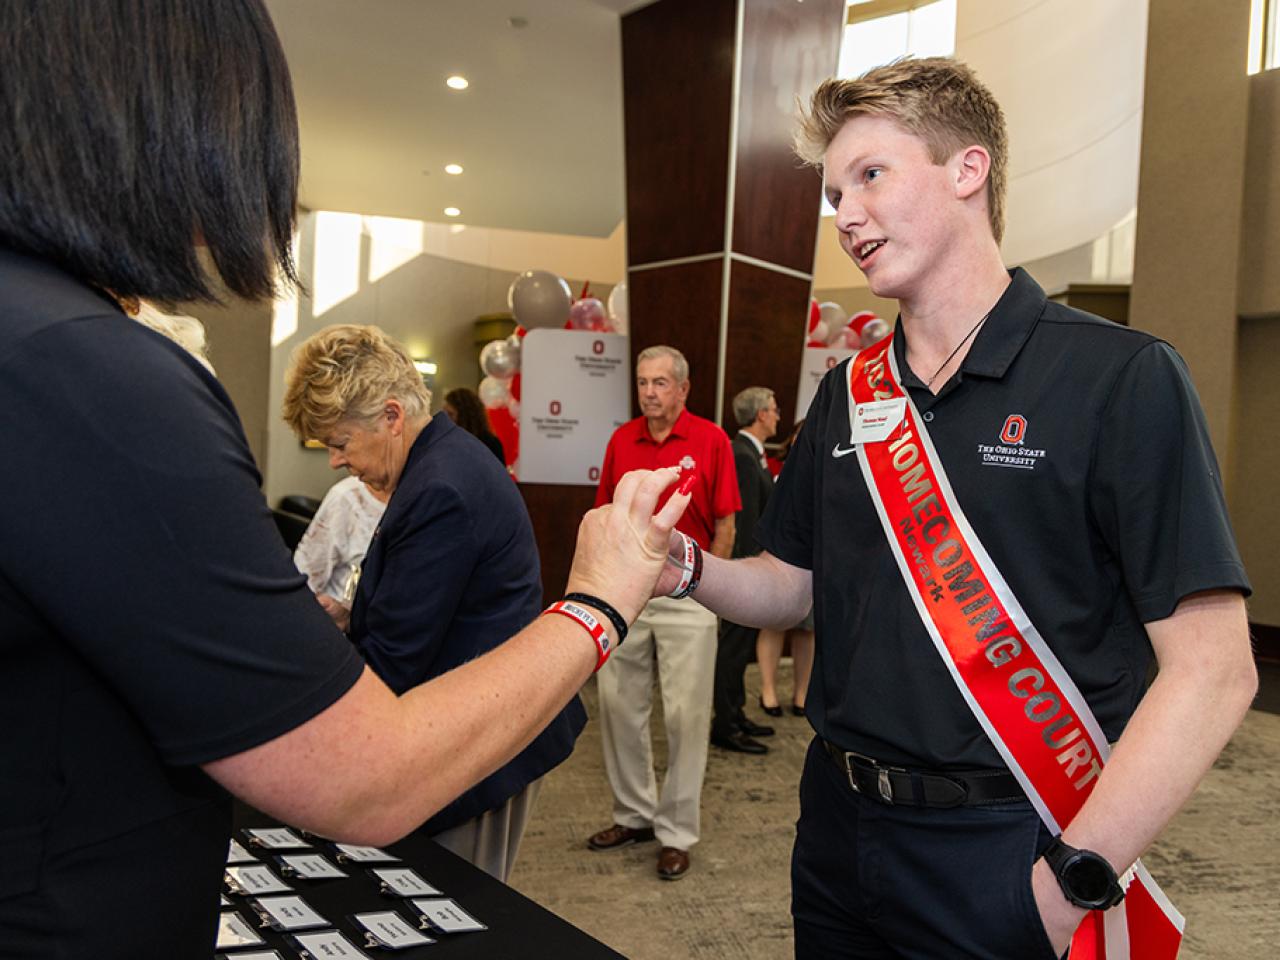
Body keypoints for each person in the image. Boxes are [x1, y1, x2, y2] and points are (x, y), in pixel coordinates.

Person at [0, 3, 689, 956]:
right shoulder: (82, 363)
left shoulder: (65, 355)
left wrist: (597, 598)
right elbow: (363, 770)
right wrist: (600, 603)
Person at [659, 58, 1257, 958]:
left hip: (1012, 841)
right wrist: (688, 567)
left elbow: (1214, 672)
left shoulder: (1120, 378)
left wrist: (1068, 885)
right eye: (834, 196)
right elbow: (792, 587)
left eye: (870, 175)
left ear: (967, 170)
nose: (846, 217)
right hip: (836, 829)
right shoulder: (848, 394)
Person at [283, 324, 587, 880]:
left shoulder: (439, 487)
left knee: (451, 907)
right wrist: (351, 617)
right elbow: (438, 607)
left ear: (392, 417)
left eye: (340, 442)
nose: (334, 462)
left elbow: (397, 657)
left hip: (478, 748)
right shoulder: (440, 463)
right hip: (472, 728)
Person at [586, 345, 741, 880]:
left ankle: (676, 832)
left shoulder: (712, 440)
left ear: (683, 388)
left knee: (685, 716)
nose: (649, 392)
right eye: (643, 382)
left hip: (688, 597)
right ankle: (633, 814)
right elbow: (606, 514)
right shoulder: (620, 440)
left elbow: (725, 525)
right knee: (619, 707)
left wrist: (710, 590)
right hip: (626, 597)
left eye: (659, 383)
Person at [710, 386, 782, 754]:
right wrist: (752, 568)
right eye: (773, 408)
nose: (778, 415)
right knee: (732, 648)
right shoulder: (741, 454)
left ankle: (735, 714)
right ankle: (725, 723)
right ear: (760, 415)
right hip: (744, 569)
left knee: (740, 647)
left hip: (749, 567)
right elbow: (743, 517)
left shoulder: (751, 454)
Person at [756, 419, 815, 718]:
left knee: (807, 632)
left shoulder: (829, 469)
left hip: (817, 560)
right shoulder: (774, 468)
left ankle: (801, 693)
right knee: (775, 624)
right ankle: (767, 690)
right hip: (777, 556)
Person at [292, 475, 389, 631]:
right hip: (342, 635)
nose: (335, 462)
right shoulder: (345, 497)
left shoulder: (421, 496)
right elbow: (303, 580)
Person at [443, 386, 506, 464]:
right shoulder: (446, 441)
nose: (445, 419)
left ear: (465, 416)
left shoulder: (488, 444)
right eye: (444, 414)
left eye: (450, 414)